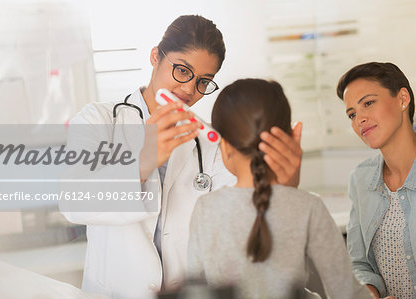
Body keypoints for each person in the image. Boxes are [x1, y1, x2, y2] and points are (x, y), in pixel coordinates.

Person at [61, 15, 302, 299]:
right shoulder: (99, 120)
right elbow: (74, 203)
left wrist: (284, 186)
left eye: (203, 81)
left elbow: (245, 216)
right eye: (182, 70)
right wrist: (143, 160)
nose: (189, 89)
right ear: (155, 56)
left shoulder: (211, 143)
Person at [187, 78, 373, 299]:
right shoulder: (307, 207)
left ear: (225, 146)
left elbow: (196, 291)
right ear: (287, 138)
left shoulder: (206, 208)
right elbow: (346, 292)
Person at [337, 62, 416, 299]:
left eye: (368, 103)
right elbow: (359, 264)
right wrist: (370, 294)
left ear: (403, 98)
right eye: (352, 114)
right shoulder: (361, 179)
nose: (359, 119)